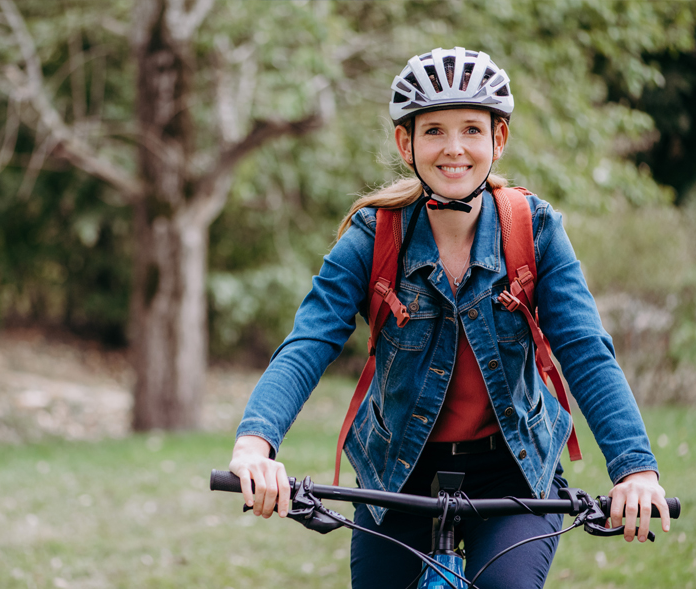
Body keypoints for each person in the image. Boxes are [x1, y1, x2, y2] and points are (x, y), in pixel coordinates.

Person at [228, 47, 671, 588]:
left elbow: (585, 351)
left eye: (471, 130)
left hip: (511, 471)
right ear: (405, 142)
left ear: (497, 139)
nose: (454, 148)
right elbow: (307, 343)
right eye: (434, 130)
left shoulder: (534, 231)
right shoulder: (374, 236)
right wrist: (256, 443)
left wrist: (635, 468)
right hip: (398, 471)